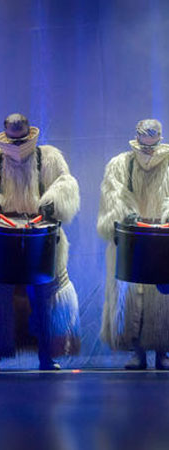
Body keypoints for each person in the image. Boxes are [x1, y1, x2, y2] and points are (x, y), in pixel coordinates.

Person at [0, 113, 80, 370]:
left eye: (21, 140)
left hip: (41, 236)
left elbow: (65, 183)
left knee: (47, 292)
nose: (17, 146)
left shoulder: (48, 157)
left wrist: (52, 202)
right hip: (2, 236)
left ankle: (49, 353)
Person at [97, 119, 169, 370]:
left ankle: (162, 351)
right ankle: (137, 351)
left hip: (162, 241)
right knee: (129, 295)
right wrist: (124, 215)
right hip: (131, 240)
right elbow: (112, 195)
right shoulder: (120, 165)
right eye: (144, 146)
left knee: (162, 298)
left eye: (152, 146)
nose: (148, 153)